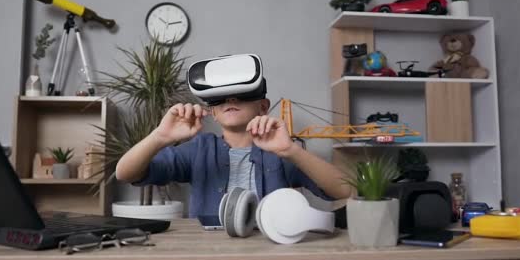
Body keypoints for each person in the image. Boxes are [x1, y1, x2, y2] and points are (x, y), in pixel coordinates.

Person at [116, 89, 352, 218]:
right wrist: (160, 136)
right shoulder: (199, 149)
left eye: (242, 93)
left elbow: (345, 190)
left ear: (263, 106)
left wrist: (290, 150)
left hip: (270, 251)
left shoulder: (280, 153)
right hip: (209, 253)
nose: (230, 98)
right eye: (221, 97)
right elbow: (125, 173)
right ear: (214, 113)